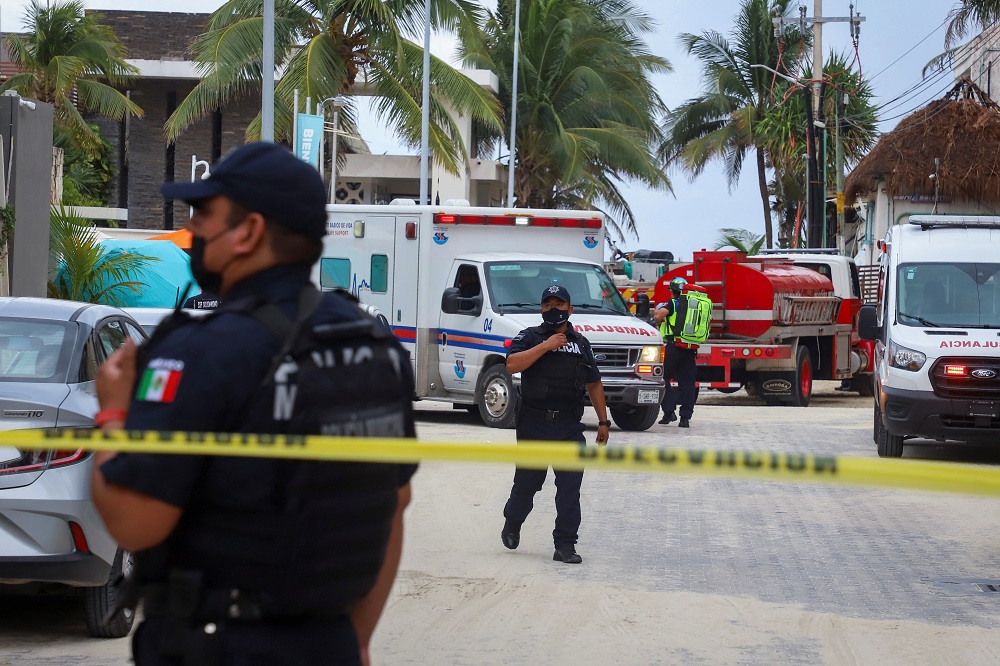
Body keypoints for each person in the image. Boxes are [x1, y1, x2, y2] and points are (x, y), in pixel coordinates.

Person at [89, 142, 416, 666]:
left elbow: (133, 522)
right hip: (327, 644)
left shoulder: (202, 351)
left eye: (204, 213)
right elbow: (393, 508)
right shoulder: (374, 346)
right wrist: (355, 639)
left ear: (249, 231)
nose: (193, 229)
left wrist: (112, 412)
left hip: (216, 646)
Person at [500, 284, 609, 565]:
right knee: (527, 485)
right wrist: (546, 345)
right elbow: (512, 365)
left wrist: (603, 421)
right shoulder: (529, 337)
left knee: (570, 489)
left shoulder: (581, 343)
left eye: (559, 305)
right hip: (534, 425)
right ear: (541, 309)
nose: (553, 310)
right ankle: (513, 521)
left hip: (568, 427)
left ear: (570, 310)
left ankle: (565, 545)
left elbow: (594, 384)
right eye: (548, 305)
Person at [654, 277, 698, 428]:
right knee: (687, 383)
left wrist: (658, 310)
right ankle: (685, 418)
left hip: (673, 347)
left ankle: (669, 411)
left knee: (662, 377)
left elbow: (658, 317)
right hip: (690, 348)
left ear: (672, 291)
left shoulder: (672, 303)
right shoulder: (694, 306)